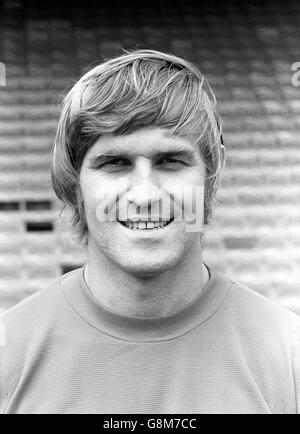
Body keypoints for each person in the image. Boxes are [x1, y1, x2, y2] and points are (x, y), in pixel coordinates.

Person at [0, 49, 300, 414]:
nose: (144, 194)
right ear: (74, 184)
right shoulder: (8, 355)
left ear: (210, 177)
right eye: (114, 163)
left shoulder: (290, 354)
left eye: (171, 161)